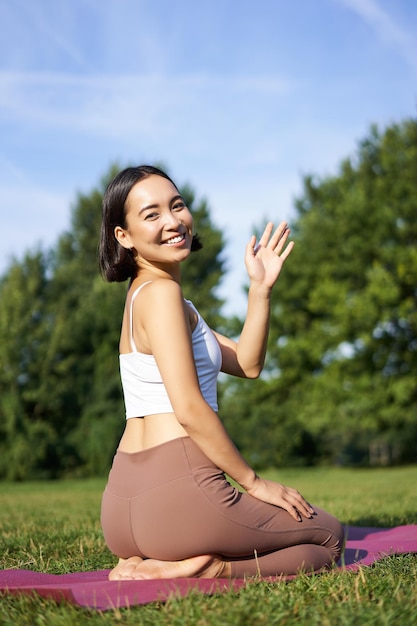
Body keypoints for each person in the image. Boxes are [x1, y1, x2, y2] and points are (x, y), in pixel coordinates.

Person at [99, 165, 344, 581]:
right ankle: (212, 568)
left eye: (177, 206)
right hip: (179, 494)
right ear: (123, 236)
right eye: (152, 214)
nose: (174, 221)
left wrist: (260, 290)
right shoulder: (162, 294)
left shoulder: (153, 298)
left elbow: (247, 364)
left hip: (122, 508)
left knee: (313, 533)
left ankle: (153, 558)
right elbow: (189, 408)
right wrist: (253, 482)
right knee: (329, 537)